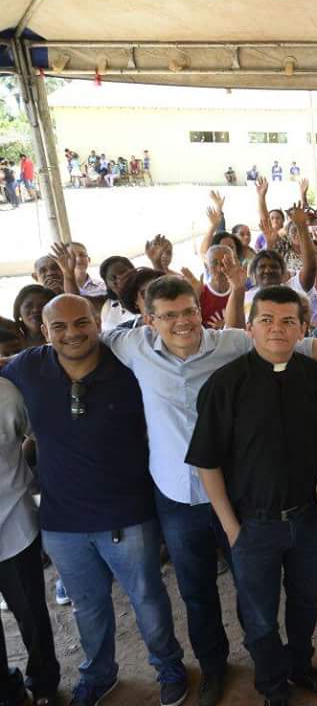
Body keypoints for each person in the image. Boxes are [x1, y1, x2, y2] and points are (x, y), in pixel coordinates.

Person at [99, 276, 317, 706]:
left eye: (188, 311)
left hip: (292, 512)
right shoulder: (155, 355)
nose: (181, 322)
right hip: (202, 503)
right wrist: (233, 527)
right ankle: (235, 675)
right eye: (169, 315)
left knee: (295, 600)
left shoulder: (269, 357)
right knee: (206, 594)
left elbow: (311, 352)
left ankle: (298, 665)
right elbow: (79, 337)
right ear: (149, 320)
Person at [0, 295, 189, 706]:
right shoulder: (27, 368)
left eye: (81, 322)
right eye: (59, 327)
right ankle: (99, 674)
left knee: (148, 599)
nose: (72, 333)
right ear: (44, 332)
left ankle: (168, 665)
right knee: (87, 607)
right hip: (62, 522)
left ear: (95, 322)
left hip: (128, 515)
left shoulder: (128, 364)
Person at [188, 287, 317, 706]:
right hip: (252, 524)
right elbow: (207, 461)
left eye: (288, 321)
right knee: (258, 615)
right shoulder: (225, 384)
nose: (278, 328)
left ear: (302, 329)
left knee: (306, 602)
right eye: (267, 320)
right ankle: (272, 684)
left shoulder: (314, 376)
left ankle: (301, 666)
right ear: (250, 327)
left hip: (310, 519)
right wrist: (231, 527)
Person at [0, 376, 60, 706]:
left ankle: (45, 684)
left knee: (31, 613)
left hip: (14, 526)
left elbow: (42, 438)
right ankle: (5, 689)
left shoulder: (6, 393)